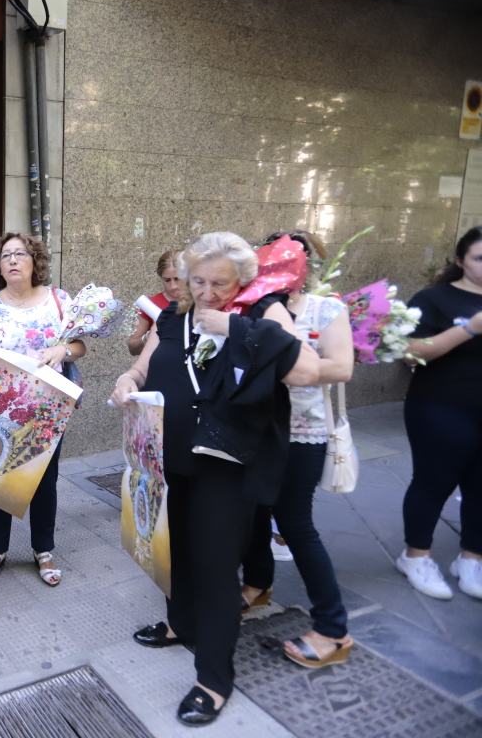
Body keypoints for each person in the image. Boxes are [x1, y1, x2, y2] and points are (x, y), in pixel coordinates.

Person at [111, 232, 318, 726]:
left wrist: (233, 327)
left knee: (216, 570)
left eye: (218, 284)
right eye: (197, 280)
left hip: (225, 468)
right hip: (167, 455)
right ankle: (180, 624)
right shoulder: (173, 316)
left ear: (242, 281)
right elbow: (142, 368)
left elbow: (307, 369)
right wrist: (127, 382)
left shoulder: (260, 313)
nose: (206, 292)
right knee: (173, 549)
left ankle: (213, 679)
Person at [239, 230, 355, 668]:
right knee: (251, 512)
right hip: (254, 431)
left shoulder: (327, 309)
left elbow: (341, 367)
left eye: (296, 258)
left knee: (295, 524)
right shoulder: (248, 307)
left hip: (302, 433)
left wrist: (295, 359)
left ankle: (332, 628)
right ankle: (257, 584)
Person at [0, 232, 85, 588]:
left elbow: (79, 344)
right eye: (5, 255)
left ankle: (43, 549)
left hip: (47, 407)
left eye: (20, 254)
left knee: (45, 481)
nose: (12, 260)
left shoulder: (58, 300)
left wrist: (62, 352)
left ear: (35, 261)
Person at [398, 226, 482, 600]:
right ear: (461, 260)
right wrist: (469, 329)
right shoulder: (434, 299)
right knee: (434, 481)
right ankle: (415, 555)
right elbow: (410, 351)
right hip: (440, 406)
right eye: (480, 258)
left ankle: (471, 559)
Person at [128, 250, 183, 356]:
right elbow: (133, 348)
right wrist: (148, 337)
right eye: (167, 280)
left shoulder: (201, 300)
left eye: (177, 279)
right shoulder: (151, 305)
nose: (173, 286)